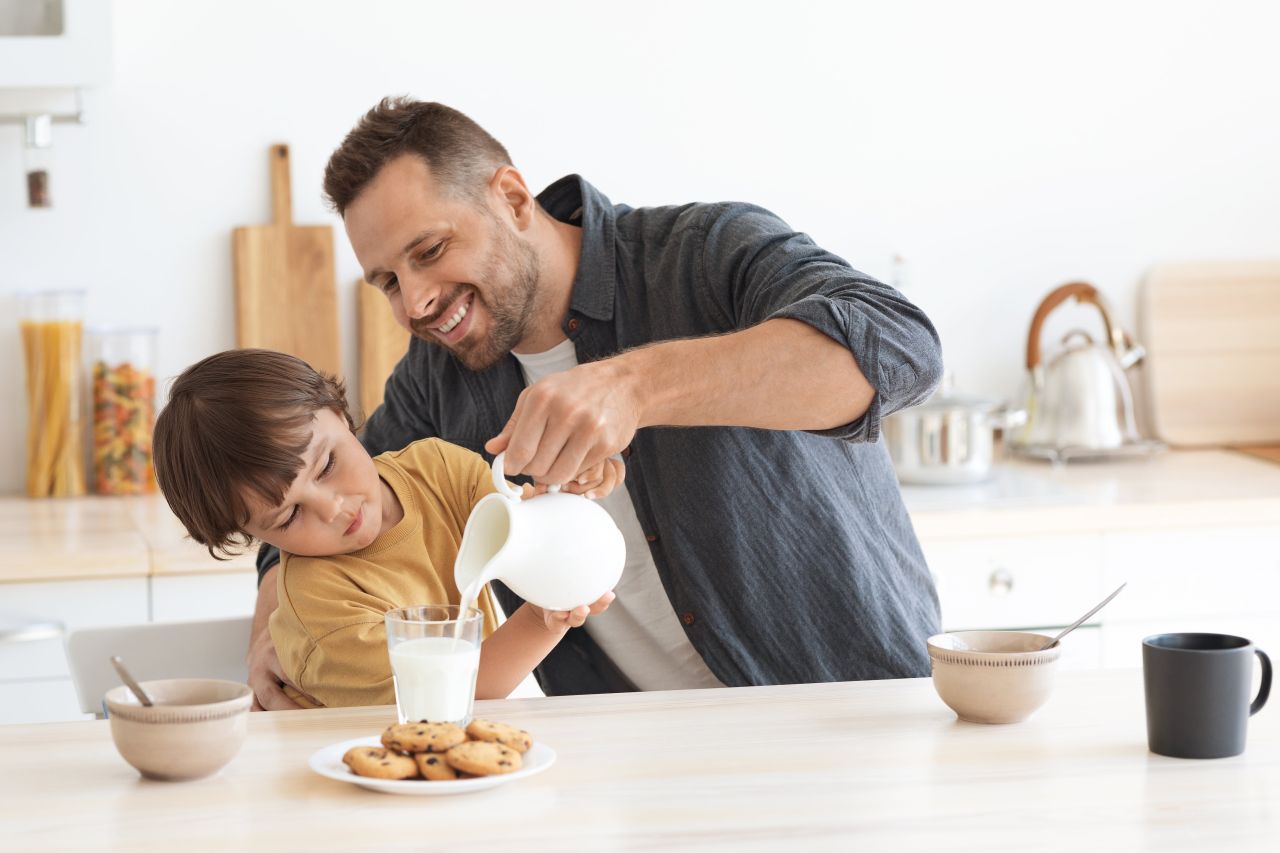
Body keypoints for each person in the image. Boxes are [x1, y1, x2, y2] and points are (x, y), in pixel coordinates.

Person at [248, 97, 946, 709]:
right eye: (388, 282)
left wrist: (635, 386)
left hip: (857, 716)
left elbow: (900, 347)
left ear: (514, 199)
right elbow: (323, 499)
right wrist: (268, 627)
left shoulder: (704, 256)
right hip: (630, 764)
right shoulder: (436, 380)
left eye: (429, 250)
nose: (417, 302)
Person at [153, 348, 615, 709]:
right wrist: (541, 618)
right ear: (256, 536)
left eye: (328, 464)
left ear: (339, 412)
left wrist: (564, 488)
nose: (333, 509)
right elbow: (460, 691)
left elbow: (525, 530)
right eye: (289, 517)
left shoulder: (438, 469)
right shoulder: (321, 604)